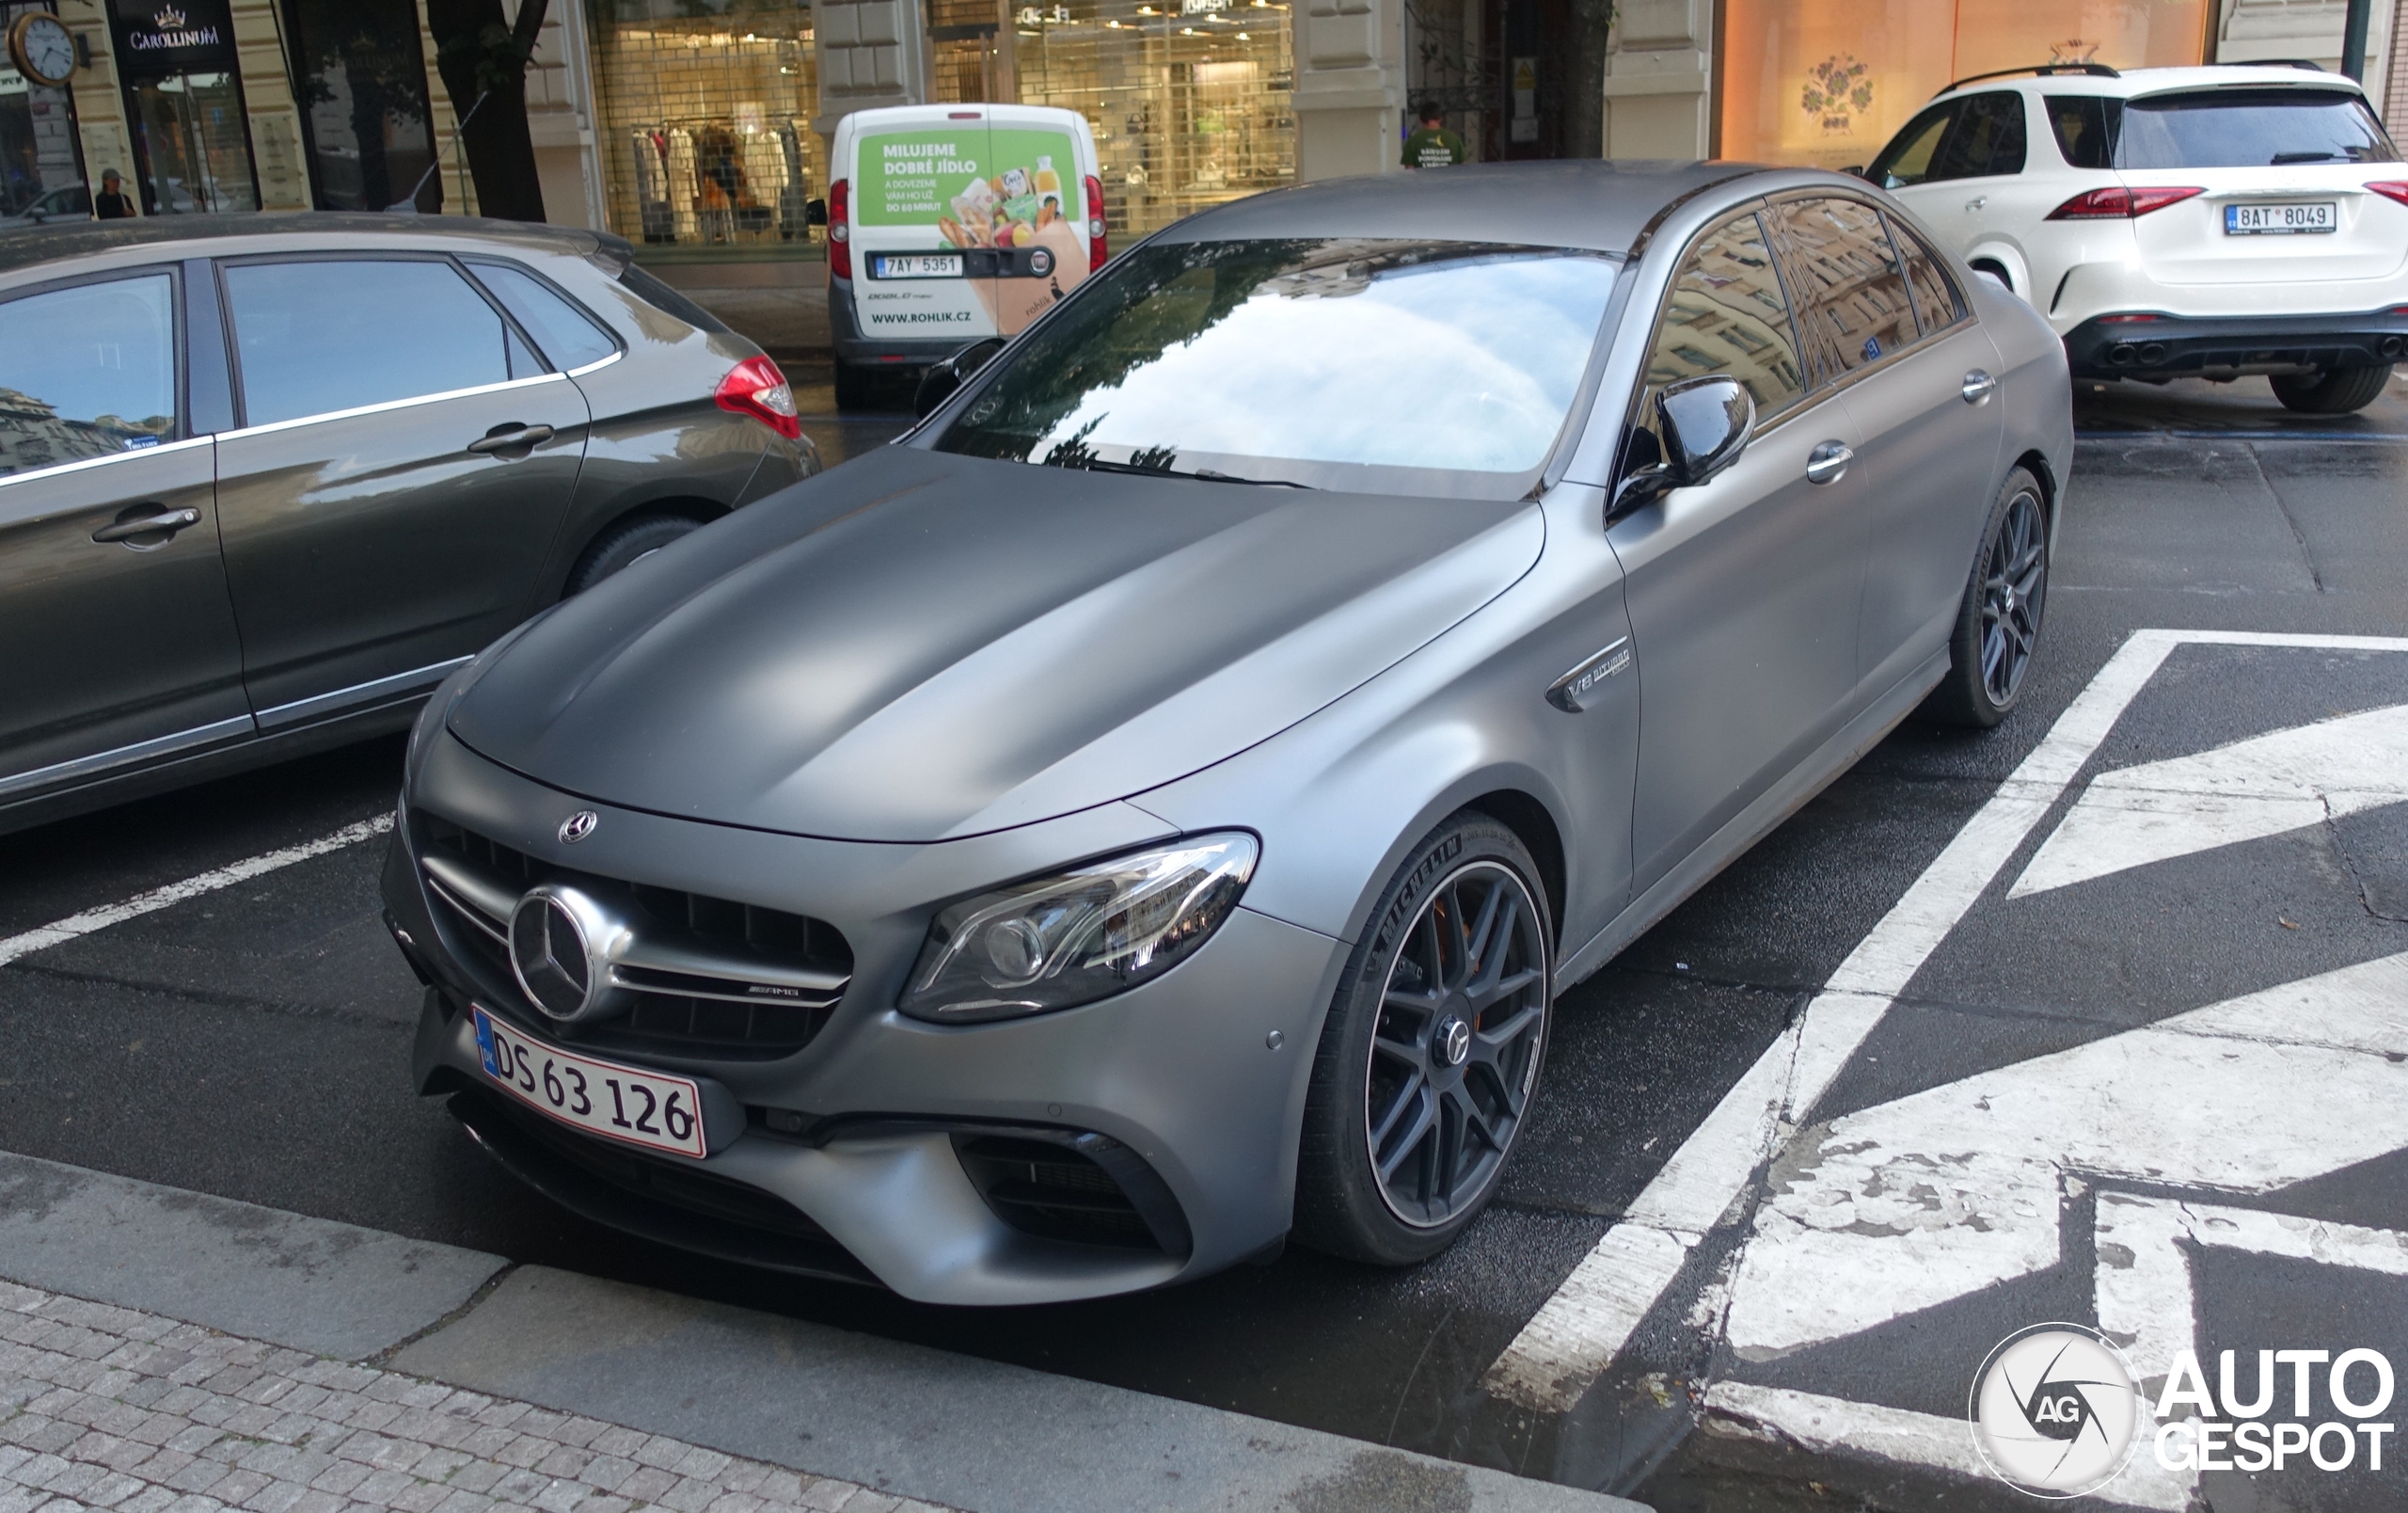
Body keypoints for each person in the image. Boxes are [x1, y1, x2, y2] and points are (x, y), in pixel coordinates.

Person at [1402, 103, 1465, 169]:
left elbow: (1409, 169)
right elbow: (1463, 167)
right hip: (1449, 179)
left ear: (1420, 119)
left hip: (1423, 179)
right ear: (1440, 119)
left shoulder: (1413, 141)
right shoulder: (1454, 139)